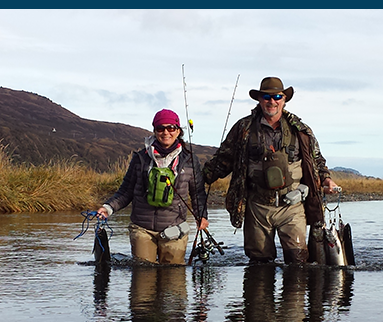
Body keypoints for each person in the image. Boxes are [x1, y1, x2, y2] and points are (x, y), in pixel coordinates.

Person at [203, 77, 339, 264]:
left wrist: (326, 179)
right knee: (259, 264)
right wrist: (200, 178)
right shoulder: (243, 127)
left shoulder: (300, 129)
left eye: (277, 96)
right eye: (267, 96)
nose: (272, 101)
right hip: (256, 206)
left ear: (284, 99)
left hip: (292, 206)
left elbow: (316, 160)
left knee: (298, 261)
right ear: (259, 99)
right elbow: (224, 159)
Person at [97, 109, 209, 265]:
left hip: (175, 229)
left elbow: (197, 192)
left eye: (171, 128)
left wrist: (202, 215)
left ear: (178, 131)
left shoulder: (190, 160)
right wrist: (108, 208)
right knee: (143, 281)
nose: (166, 132)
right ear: (154, 131)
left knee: (173, 286)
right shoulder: (140, 158)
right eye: (160, 128)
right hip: (142, 229)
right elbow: (126, 191)